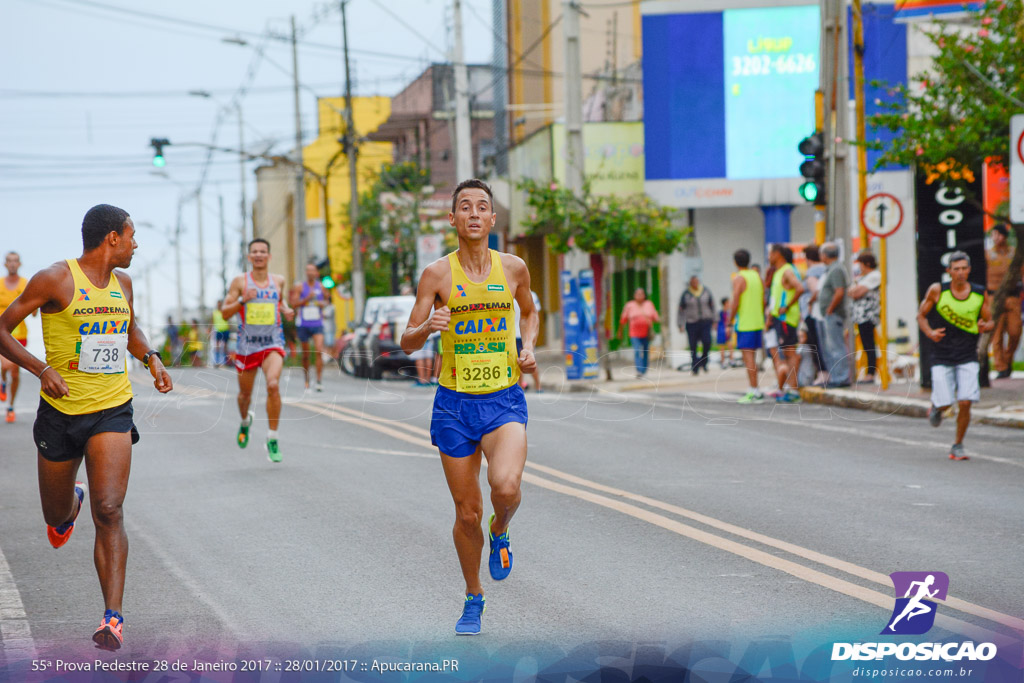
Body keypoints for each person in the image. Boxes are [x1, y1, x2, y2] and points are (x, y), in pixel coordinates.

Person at [0, 204, 173, 650]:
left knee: (111, 509)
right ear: (112, 238)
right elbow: (2, 328)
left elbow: (128, 330)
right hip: (60, 413)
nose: (136, 244)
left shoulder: (124, 284)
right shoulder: (55, 279)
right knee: (55, 517)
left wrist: (151, 358)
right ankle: (67, 507)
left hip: (112, 408)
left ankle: (112, 617)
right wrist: (41, 370)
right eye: (132, 236)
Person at [400, 179, 537, 636]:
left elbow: (530, 311)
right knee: (465, 513)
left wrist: (529, 346)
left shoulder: (514, 268)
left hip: (503, 398)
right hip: (455, 404)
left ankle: (503, 529)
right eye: (465, 207)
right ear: (453, 219)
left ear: (493, 219)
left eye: (483, 207)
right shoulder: (437, 275)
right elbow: (406, 340)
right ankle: (473, 596)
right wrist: (427, 327)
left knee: (507, 486)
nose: (474, 213)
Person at [221, 238, 294, 463]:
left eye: (263, 251)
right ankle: (245, 421)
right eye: (255, 252)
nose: (259, 255)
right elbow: (224, 312)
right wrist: (243, 300)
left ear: (269, 256)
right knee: (245, 396)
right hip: (247, 346)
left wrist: (287, 310)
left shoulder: (278, 281)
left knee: (273, 385)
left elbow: (279, 303)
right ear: (249, 257)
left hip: (272, 343)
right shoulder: (240, 282)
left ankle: (272, 437)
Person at [917, 251, 993, 461]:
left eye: (963, 268)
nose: (960, 273)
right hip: (941, 355)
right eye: (956, 269)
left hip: (968, 354)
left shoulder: (978, 293)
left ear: (969, 270)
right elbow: (921, 316)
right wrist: (930, 333)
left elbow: (990, 321)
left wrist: (985, 326)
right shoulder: (937, 290)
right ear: (948, 271)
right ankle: (937, 407)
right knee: (946, 402)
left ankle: (958, 444)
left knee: (966, 401)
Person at [1, 251, 37, 422]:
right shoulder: (0, 284)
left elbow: (34, 308)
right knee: (7, 366)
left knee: (15, 373)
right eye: (9, 261)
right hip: (2, 332)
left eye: (15, 261)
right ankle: (2, 381)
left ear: (20, 264)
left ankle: (11, 406)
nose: (13, 264)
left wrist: (36, 307)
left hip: (20, 334)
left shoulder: (25, 284)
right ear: (5, 264)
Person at [766, 244, 805, 402]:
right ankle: (789, 388)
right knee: (787, 353)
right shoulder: (778, 272)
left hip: (786, 319)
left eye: (770, 254)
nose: (769, 258)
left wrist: (786, 306)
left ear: (778, 254)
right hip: (778, 319)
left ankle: (793, 390)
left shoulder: (787, 270)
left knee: (790, 353)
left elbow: (800, 288)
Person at [728, 249, 765, 403]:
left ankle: (753, 390)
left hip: (745, 322)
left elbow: (736, 300)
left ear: (735, 262)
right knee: (753, 357)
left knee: (748, 358)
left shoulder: (739, 278)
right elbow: (763, 299)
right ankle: (755, 388)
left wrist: (730, 319)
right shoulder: (756, 276)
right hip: (757, 321)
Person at [986, 223, 1023, 379]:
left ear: (1005, 236)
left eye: (998, 234)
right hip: (994, 297)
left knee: (1015, 331)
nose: (996, 238)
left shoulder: (1014, 254)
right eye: (993, 234)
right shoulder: (987, 255)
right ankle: (1000, 367)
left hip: (1013, 296)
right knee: (997, 333)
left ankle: (1008, 360)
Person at [289, 262, 329, 391]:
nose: (310, 273)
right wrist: (307, 298)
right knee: (306, 354)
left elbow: (327, 300)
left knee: (318, 350)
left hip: (317, 322)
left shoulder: (321, 287)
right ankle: (306, 380)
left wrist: (322, 303)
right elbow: (294, 304)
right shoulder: (300, 287)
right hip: (303, 324)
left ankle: (319, 380)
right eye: (308, 270)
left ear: (316, 273)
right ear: (306, 273)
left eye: (313, 270)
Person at [819, 242, 851, 387]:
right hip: (830, 314)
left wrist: (830, 309)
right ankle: (836, 377)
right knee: (832, 347)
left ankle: (841, 377)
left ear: (825, 255)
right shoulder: (832, 269)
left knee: (836, 347)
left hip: (834, 315)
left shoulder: (836, 269)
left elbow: (839, 291)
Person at [850, 250, 882, 384]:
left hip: (868, 314)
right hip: (860, 316)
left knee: (869, 345)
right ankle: (868, 372)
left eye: (861, 264)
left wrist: (855, 289)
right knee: (865, 344)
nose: (860, 268)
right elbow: (852, 292)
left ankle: (871, 373)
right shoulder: (864, 277)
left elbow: (856, 292)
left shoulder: (874, 275)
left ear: (867, 263)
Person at [677, 275, 715, 375]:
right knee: (693, 345)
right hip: (691, 323)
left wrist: (715, 320)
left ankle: (704, 362)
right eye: (693, 282)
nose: (695, 283)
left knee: (707, 342)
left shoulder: (705, 291)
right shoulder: (686, 294)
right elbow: (680, 310)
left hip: (705, 321)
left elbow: (712, 306)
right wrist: (680, 323)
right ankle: (695, 367)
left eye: (696, 281)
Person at [620, 288, 660, 377]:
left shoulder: (649, 304)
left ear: (644, 295)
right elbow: (623, 319)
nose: (639, 296)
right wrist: (620, 332)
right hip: (634, 333)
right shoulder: (629, 305)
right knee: (637, 351)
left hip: (646, 333)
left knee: (645, 351)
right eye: (638, 294)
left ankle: (644, 369)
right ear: (634, 296)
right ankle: (639, 370)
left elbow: (655, 317)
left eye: (641, 294)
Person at [801, 244, 826, 380]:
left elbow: (815, 290)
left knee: (815, 343)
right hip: (824, 312)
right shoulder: (825, 269)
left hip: (812, 313)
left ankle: (822, 372)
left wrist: (810, 302)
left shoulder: (812, 271)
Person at [514, 289, 543, 391]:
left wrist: (532, 337)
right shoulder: (509, 293)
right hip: (514, 334)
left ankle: (536, 385)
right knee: (519, 361)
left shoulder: (532, 295)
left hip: (523, 335)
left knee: (526, 360)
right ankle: (533, 386)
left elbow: (534, 315)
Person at [715, 297, 735, 368]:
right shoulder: (722, 313)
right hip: (722, 330)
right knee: (722, 347)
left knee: (730, 346)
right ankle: (723, 362)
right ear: (725, 303)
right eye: (728, 302)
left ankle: (731, 360)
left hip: (726, 330)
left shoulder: (728, 312)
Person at [212, 300, 231, 366]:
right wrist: (209, 329)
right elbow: (212, 321)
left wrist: (229, 329)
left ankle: (226, 362)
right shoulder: (215, 313)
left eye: (220, 304)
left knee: (225, 347)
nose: (219, 305)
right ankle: (216, 361)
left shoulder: (224, 312)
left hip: (225, 330)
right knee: (217, 347)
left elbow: (228, 321)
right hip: (218, 330)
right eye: (218, 304)